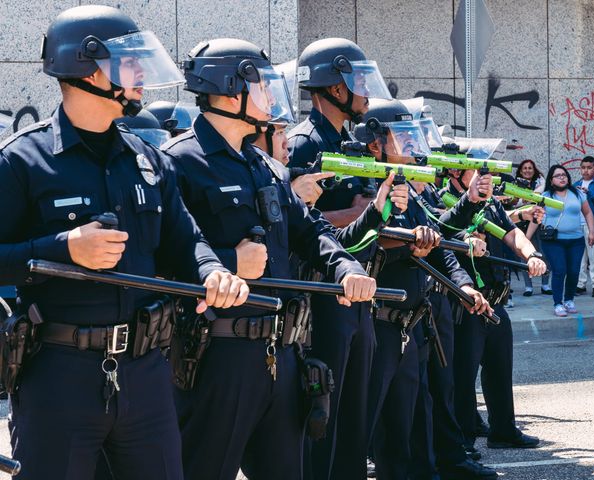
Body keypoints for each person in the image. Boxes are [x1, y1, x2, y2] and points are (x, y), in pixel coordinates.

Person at [0, 6, 250, 480]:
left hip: (146, 374)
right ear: (89, 67)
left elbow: (186, 239)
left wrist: (211, 271)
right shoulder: (22, 161)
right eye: (129, 61)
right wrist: (61, 248)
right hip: (58, 375)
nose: (140, 73)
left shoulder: (149, 160)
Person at [162, 37, 378, 480]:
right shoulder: (179, 162)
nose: (270, 97)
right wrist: (226, 261)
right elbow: (160, 252)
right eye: (261, 86)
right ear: (228, 89)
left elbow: (310, 228)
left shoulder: (263, 166)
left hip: (281, 352)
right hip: (217, 356)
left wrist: (345, 266)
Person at [353, 99, 498, 480]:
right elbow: (356, 240)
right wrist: (401, 237)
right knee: (365, 430)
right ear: (375, 144)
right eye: (401, 137)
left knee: (412, 426)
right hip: (377, 322)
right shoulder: (365, 186)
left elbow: (439, 235)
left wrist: (468, 203)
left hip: (410, 323)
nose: (412, 145)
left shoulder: (408, 189)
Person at [287, 37, 393, 480]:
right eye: (357, 83)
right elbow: (295, 223)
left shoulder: (348, 142)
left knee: (355, 412)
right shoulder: (303, 144)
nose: (366, 93)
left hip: (358, 287)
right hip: (322, 294)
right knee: (323, 415)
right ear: (332, 88)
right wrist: (365, 212)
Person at [445, 168, 547, 451]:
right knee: (462, 377)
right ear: (456, 174)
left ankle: (503, 430)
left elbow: (512, 234)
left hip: (496, 301)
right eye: (477, 172)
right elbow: (444, 242)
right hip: (467, 303)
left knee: (500, 370)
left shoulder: (491, 204)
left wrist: (532, 254)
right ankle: (462, 444)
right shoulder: (445, 201)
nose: (485, 178)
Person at [527, 164, 594, 316]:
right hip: (553, 241)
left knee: (573, 271)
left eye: (564, 175)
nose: (562, 178)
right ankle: (558, 303)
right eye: (558, 176)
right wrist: (526, 238)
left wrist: (591, 232)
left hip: (576, 240)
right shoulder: (545, 196)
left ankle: (569, 300)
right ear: (551, 180)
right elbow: (535, 218)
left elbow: (588, 213)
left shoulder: (577, 194)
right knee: (559, 270)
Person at [513, 159, 551, 295]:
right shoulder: (514, 184)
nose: (527, 170)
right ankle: (528, 287)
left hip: (539, 224)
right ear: (520, 171)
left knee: (543, 254)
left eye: (530, 168)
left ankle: (545, 285)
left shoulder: (541, 183)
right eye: (525, 168)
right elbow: (513, 202)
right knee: (524, 255)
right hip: (521, 223)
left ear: (534, 170)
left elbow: (540, 200)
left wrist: (527, 199)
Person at [574, 156, 594, 297]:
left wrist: (588, 193)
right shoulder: (575, 184)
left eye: (589, 167)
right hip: (577, 225)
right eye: (583, 167)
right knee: (580, 258)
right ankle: (580, 284)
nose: (586, 170)